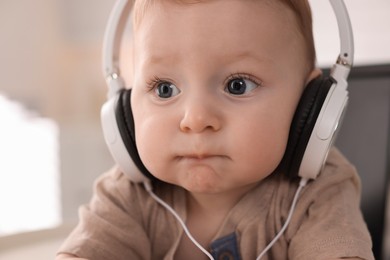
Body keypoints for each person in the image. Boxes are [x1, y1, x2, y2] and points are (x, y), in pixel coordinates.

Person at [56, 0, 374, 259]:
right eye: (164, 88)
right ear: (125, 107)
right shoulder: (128, 195)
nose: (195, 119)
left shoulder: (319, 193)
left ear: (308, 105)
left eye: (237, 86)